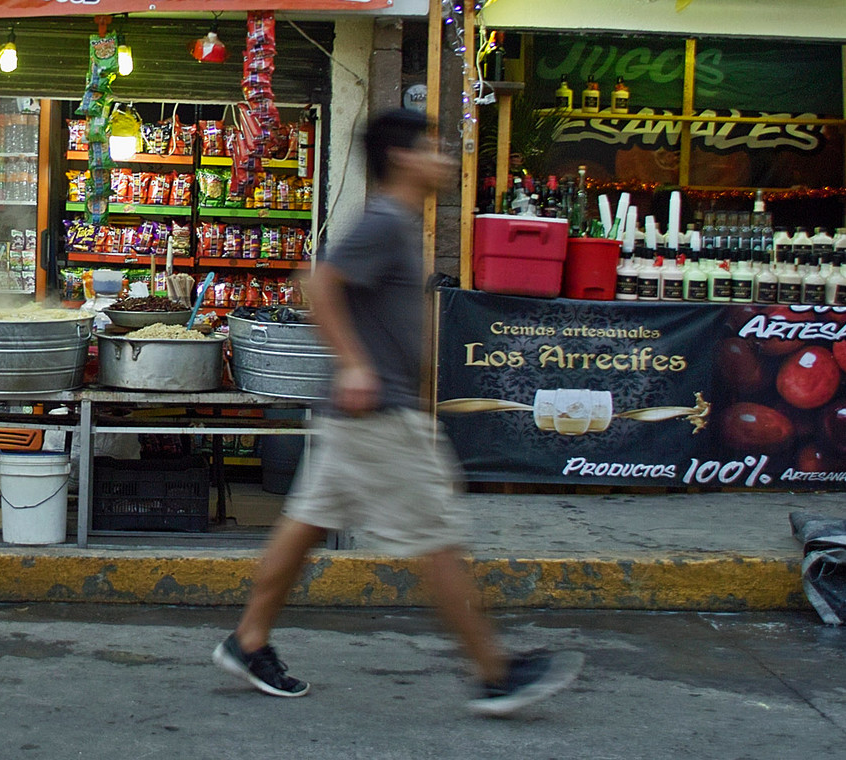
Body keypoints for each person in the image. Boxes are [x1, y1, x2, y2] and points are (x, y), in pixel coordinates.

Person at [213, 109, 582, 716]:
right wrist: (356, 364)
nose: (445, 157)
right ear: (404, 158)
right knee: (438, 535)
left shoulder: (401, 223)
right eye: (434, 146)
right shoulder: (385, 219)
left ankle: (249, 640)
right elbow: (319, 283)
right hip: (380, 413)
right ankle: (494, 673)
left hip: (363, 415)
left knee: (305, 523)